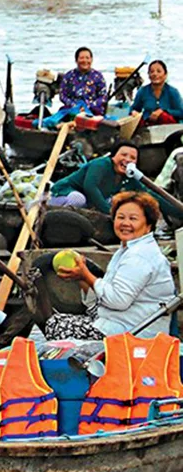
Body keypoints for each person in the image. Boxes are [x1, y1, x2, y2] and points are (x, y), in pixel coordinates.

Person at [34, 192, 175, 340]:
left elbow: (118, 300)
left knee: (55, 326)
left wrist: (86, 275)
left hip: (135, 330)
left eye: (133, 218)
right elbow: (103, 299)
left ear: (148, 226)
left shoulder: (139, 256)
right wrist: (81, 277)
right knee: (56, 321)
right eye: (121, 217)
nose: (125, 223)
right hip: (119, 319)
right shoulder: (126, 251)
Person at [49, 142, 143, 213]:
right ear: (113, 157)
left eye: (132, 158)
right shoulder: (100, 164)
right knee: (78, 199)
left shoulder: (129, 175)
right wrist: (109, 212)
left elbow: (144, 191)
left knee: (115, 202)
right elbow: (90, 187)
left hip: (87, 203)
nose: (127, 160)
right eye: (124, 155)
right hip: (62, 195)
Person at [41, 47, 107, 129]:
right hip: (71, 109)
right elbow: (63, 96)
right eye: (82, 58)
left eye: (87, 58)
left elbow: (103, 97)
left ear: (91, 60)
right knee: (52, 121)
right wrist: (75, 105)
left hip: (92, 111)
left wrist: (88, 106)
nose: (85, 61)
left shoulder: (98, 76)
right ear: (76, 60)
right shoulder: (69, 76)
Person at [130, 60, 183, 126]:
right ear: (148, 75)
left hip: (169, 128)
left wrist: (163, 111)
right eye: (151, 72)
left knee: (163, 116)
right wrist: (134, 112)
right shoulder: (143, 91)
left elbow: (181, 112)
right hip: (148, 126)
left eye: (159, 71)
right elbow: (134, 108)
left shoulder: (173, 92)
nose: (155, 74)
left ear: (165, 75)